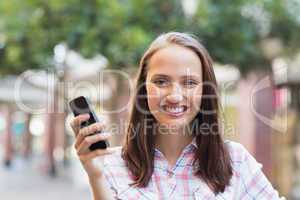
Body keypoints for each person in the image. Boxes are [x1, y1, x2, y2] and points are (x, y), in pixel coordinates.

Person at [70, 32, 284, 199]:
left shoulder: (235, 161)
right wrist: (95, 175)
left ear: (204, 91)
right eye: (161, 81)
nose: (174, 96)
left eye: (189, 83)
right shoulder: (112, 165)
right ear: (144, 89)